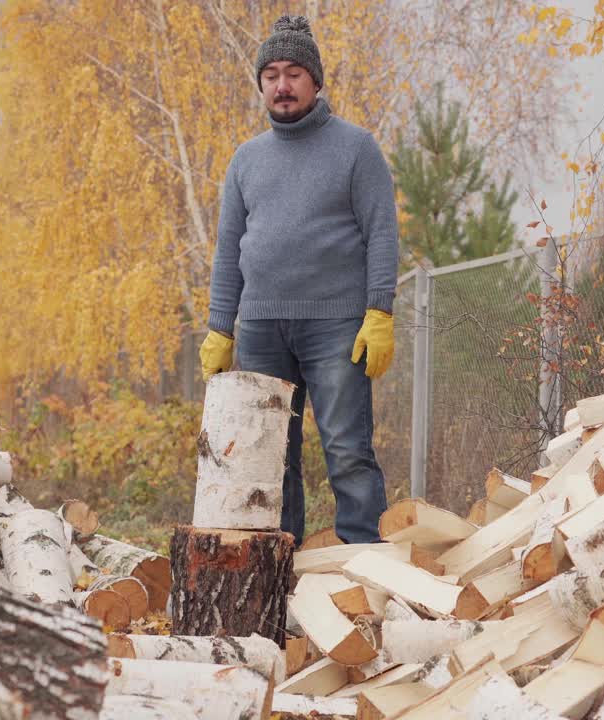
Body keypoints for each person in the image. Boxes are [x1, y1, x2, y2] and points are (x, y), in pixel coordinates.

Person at [198, 14, 399, 546]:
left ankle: (365, 569)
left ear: (315, 80)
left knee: (348, 453)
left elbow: (382, 234)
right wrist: (221, 327)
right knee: (267, 460)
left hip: (336, 325)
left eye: (292, 73)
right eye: (270, 75)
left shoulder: (357, 149)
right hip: (262, 329)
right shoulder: (246, 160)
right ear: (261, 84)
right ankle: (277, 577)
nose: (281, 85)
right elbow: (228, 250)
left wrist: (379, 312)